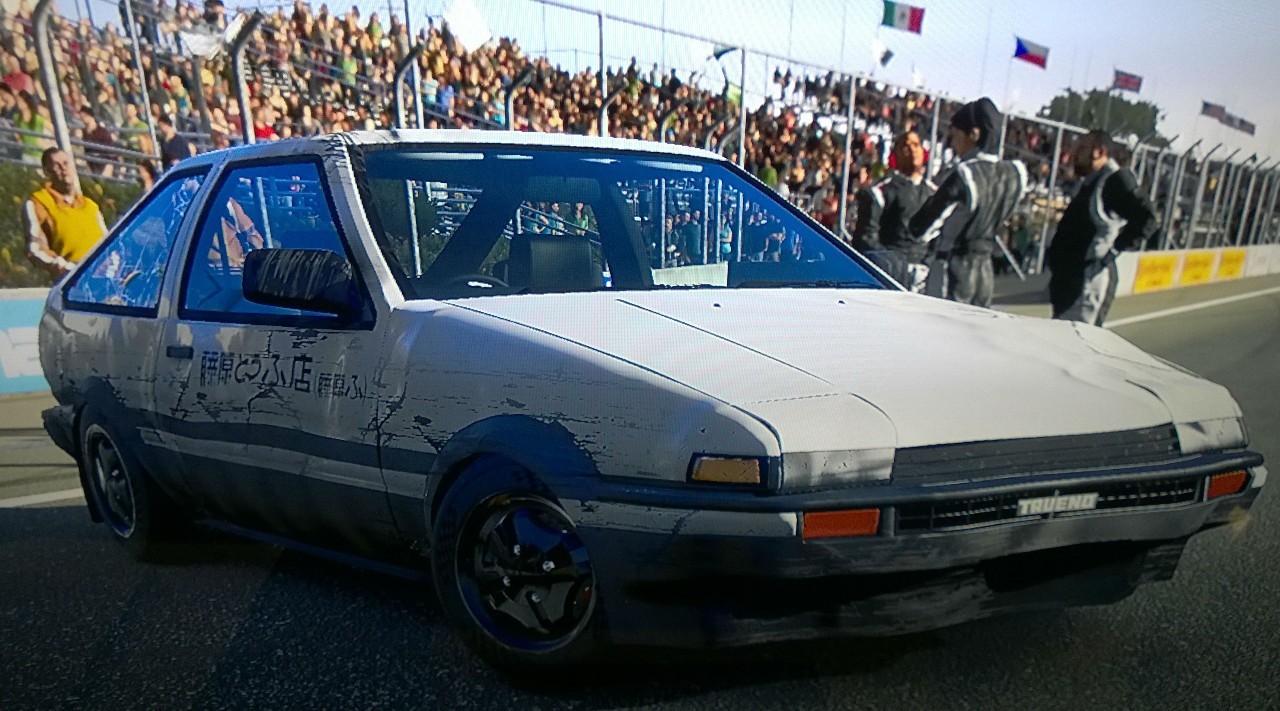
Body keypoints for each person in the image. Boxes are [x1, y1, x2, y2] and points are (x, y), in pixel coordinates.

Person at [909, 97, 1027, 307]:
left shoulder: (965, 175)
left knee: (944, 324)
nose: (952, 142)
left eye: (956, 135)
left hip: (954, 271)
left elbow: (921, 227)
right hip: (985, 272)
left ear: (974, 134)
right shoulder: (1016, 174)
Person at [1046, 130, 1159, 325]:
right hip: (1070, 283)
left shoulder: (1114, 181)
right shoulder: (1092, 181)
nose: (1075, 153)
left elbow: (1148, 217)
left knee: (1076, 340)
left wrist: (1111, 253)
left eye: (1082, 148)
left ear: (1099, 152)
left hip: (1087, 285)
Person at [852, 130, 935, 291]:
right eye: (905, 146)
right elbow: (866, 237)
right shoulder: (880, 191)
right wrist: (892, 267)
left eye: (916, 145)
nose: (912, 150)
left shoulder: (934, 193)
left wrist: (927, 266)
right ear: (895, 154)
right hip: (891, 274)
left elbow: (940, 239)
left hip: (925, 278)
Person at [25, 148, 108, 278]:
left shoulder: (90, 206)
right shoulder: (39, 203)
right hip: (73, 280)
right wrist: (66, 268)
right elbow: (35, 250)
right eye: (57, 165)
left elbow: (108, 242)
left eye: (66, 163)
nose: (63, 168)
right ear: (47, 171)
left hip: (105, 276)